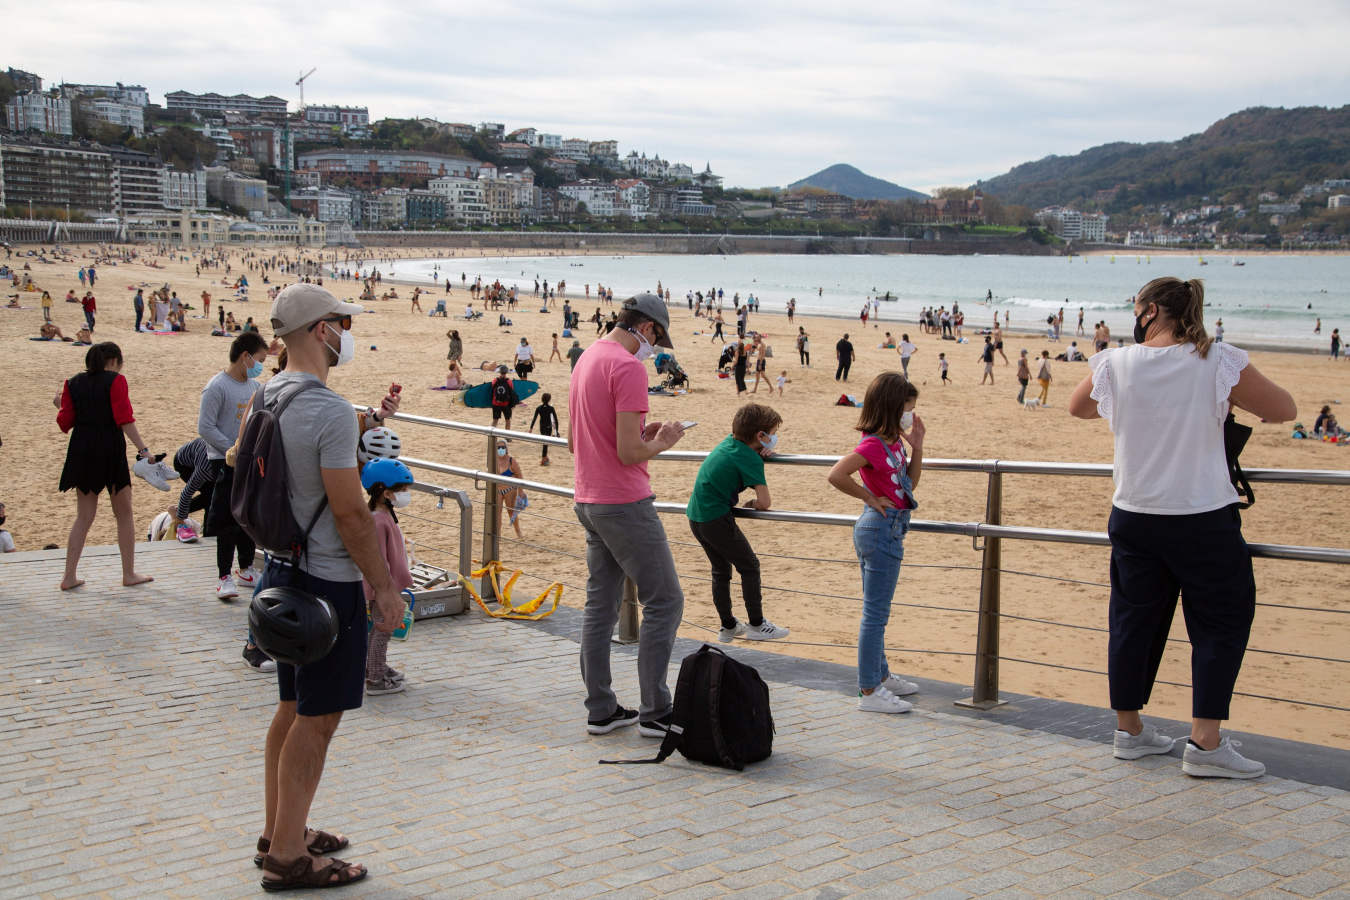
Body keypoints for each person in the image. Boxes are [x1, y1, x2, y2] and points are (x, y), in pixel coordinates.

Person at [1068, 276, 1296, 779]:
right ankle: (1205, 743)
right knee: (1219, 624)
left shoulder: (1116, 362)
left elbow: (1077, 407)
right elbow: (1285, 410)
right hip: (1201, 516)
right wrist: (1222, 400)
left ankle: (1130, 732)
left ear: (1149, 311)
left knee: (1132, 622)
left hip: (1134, 513)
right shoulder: (1217, 359)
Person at [252, 283, 403, 890]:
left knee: (291, 708)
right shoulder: (329, 410)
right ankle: (290, 856)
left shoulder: (268, 395)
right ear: (320, 331)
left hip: (282, 572)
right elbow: (350, 513)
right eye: (342, 322)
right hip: (327, 583)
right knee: (319, 718)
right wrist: (385, 587)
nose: (347, 333)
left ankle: (280, 828)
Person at [568, 293, 686, 737]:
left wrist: (642, 433)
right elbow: (628, 451)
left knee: (600, 605)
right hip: (623, 502)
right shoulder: (629, 366)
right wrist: (664, 439)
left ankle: (601, 707)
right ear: (649, 329)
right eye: (656, 339)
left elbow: (578, 441)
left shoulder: (587, 359)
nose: (653, 349)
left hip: (588, 498)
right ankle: (656, 710)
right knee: (665, 600)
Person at [827, 371, 925, 714]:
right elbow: (837, 474)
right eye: (906, 409)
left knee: (876, 610)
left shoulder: (894, 442)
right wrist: (869, 497)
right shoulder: (870, 444)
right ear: (891, 408)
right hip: (879, 530)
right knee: (875, 615)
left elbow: (909, 485)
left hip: (890, 528)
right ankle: (868, 690)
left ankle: (880, 675)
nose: (910, 415)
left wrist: (919, 447)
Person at [56, 342, 158, 591]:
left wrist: (59, 404)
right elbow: (124, 419)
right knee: (123, 513)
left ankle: (69, 576)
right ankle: (128, 573)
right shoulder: (116, 381)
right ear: (113, 361)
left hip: (81, 449)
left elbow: (65, 422)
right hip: (109, 449)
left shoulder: (73, 383)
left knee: (84, 516)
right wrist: (144, 450)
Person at [687, 404, 790, 644]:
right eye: (772, 434)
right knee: (750, 566)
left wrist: (757, 452)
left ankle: (728, 625)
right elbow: (765, 502)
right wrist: (753, 501)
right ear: (760, 436)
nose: (774, 439)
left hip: (696, 515)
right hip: (716, 519)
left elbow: (741, 454)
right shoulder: (750, 459)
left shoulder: (729, 443)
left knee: (721, 571)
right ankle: (756, 624)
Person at [199, 332, 269, 602]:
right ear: (245, 357)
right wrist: (232, 447)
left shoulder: (254, 387)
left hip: (247, 461)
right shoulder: (217, 386)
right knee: (227, 520)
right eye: (259, 359)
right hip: (223, 461)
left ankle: (247, 568)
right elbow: (205, 426)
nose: (260, 365)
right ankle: (224, 576)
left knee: (247, 516)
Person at [361, 458, 416, 696]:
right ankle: (375, 678)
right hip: (383, 588)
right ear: (385, 493)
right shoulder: (378, 520)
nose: (405, 495)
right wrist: (386, 590)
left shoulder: (382, 515)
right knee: (382, 631)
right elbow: (379, 559)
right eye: (401, 491)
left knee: (379, 630)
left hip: (385, 586)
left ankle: (377, 667)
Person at [493, 437, 527, 538]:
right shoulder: (493, 461)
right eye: (498, 447)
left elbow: (519, 475)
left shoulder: (512, 461)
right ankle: (498, 534)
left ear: (506, 448)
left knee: (511, 512)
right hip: (498, 490)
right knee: (497, 513)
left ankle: (518, 531)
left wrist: (520, 491)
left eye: (503, 447)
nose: (501, 449)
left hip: (510, 490)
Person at [530, 392, 560, 466]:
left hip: (542, 427)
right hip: (548, 427)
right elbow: (556, 420)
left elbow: (534, 418)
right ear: (549, 400)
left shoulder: (539, 408)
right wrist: (556, 431)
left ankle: (545, 457)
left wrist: (531, 428)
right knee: (545, 443)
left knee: (545, 442)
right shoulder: (551, 408)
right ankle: (543, 459)